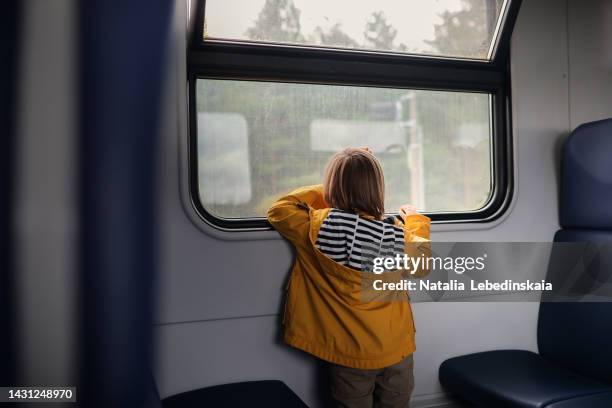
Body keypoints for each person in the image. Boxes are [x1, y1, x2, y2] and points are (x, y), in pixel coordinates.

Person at [268, 147, 431, 408]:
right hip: (395, 349)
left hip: (348, 354)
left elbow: (279, 209)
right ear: (377, 189)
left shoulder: (313, 229)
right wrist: (414, 220)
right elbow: (422, 262)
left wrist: (335, 185)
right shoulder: (394, 235)